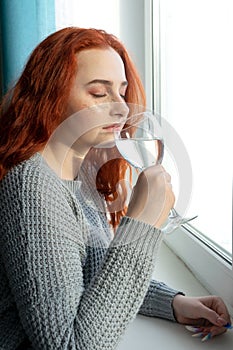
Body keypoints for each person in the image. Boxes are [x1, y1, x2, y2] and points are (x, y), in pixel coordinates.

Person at [0, 27, 231, 349]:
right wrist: (143, 223)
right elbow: (71, 345)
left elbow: (89, 273)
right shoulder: (33, 190)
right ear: (49, 97)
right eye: (99, 93)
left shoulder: (78, 174)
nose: (122, 107)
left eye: (122, 92)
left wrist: (173, 303)